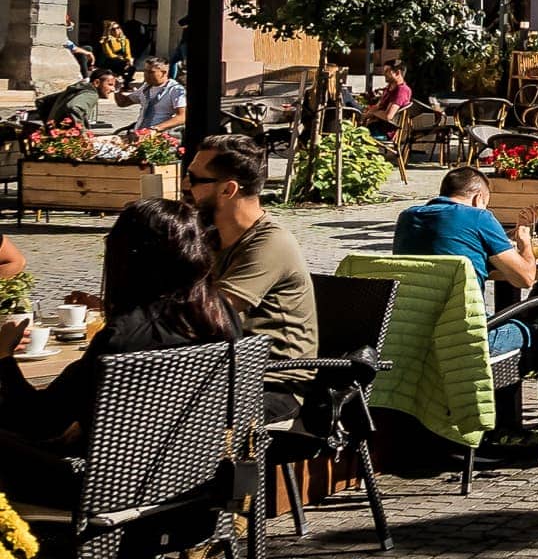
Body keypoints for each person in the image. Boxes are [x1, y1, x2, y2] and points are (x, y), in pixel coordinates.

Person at [0, 200, 239, 495]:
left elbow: (37, 422)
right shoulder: (219, 313)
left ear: (127, 258)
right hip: (193, 482)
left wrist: (3, 358)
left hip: (107, 491)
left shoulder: (124, 336)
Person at [184, 134, 317, 361]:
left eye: (194, 179)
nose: (184, 185)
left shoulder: (271, 243)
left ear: (228, 190)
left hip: (274, 380)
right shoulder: (211, 237)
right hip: (225, 367)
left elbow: (211, 311)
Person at [393, 167, 538, 352]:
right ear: (479, 198)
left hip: (413, 333)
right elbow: (525, 278)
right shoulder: (479, 216)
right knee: (533, 329)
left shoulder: (407, 217)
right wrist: (525, 242)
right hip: (466, 334)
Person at [115, 57, 186, 133]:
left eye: (151, 72)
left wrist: (156, 129)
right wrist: (117, 89)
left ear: (164, 72)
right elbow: (123, 103)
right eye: (145, 71)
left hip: (160, 136)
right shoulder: (146, 87)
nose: (146, 75)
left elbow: (182, 117)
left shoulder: (175, 89)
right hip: (139, 134)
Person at [33, 69, 118, 127]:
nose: (113, 89)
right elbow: (74, 108)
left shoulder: (76, 90)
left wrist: (50, 125)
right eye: (110, 85)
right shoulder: (91, 94)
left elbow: (41, 101)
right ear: (97, 82)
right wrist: (81, 132)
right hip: (67, 142)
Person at [359, 62, 413, 136]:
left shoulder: (402, 90)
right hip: (373, 126)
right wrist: (365, 114)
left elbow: (388, 116)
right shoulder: (389, 88)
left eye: (387, 71)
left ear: (397, 73)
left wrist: (373, 113)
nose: (384, 74)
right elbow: (377, 106)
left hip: (382, 132)